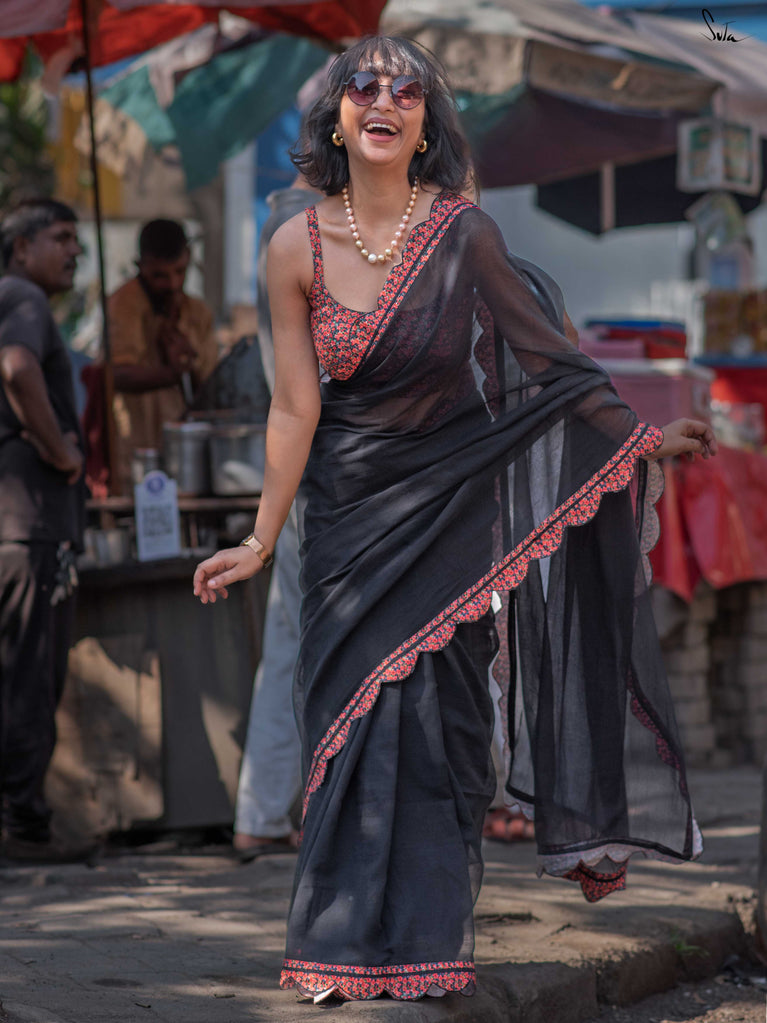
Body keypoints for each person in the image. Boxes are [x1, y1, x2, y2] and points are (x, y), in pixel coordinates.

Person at [194, 37, 717, 1003]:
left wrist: (639, 439)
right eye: (363, 85)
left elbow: (549, 363)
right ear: (336, 117)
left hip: (450, 519)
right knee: (345, 727)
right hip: (346, 525)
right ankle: (338, 949)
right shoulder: (292, 246)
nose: (383, 100)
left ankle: (427, 947)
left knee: (442, 729)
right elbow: (293, 408)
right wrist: (259, 538)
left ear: (426, 122)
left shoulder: (464, 233)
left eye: (406, 90)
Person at [233, 178, 320, 862]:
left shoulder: (285, 228)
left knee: (291, 636)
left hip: (304, 469)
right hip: (321, 473)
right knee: (316, 636)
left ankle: (262, 812)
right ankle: (304, 807)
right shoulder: (309, 233)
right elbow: (298, 399)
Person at [0, 198, 86, 857]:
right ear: (22, 246)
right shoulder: (22, 295)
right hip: (27, 524)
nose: (74, 251)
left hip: (18, 522)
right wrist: (62, 452)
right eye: (60, 237)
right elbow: (17, 367)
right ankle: (23, 826)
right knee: (29, 677)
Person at [108, 219, 218, 490]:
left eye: (180, 271)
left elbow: (211, 389)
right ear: (141, 266)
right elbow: (116, 374)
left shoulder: (198, 312)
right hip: (134, 445)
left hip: (184, 450)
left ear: (188, 258)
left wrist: (189, 363)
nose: (173, 283)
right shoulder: (123, 304)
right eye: (160, 275)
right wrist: (172, 373)